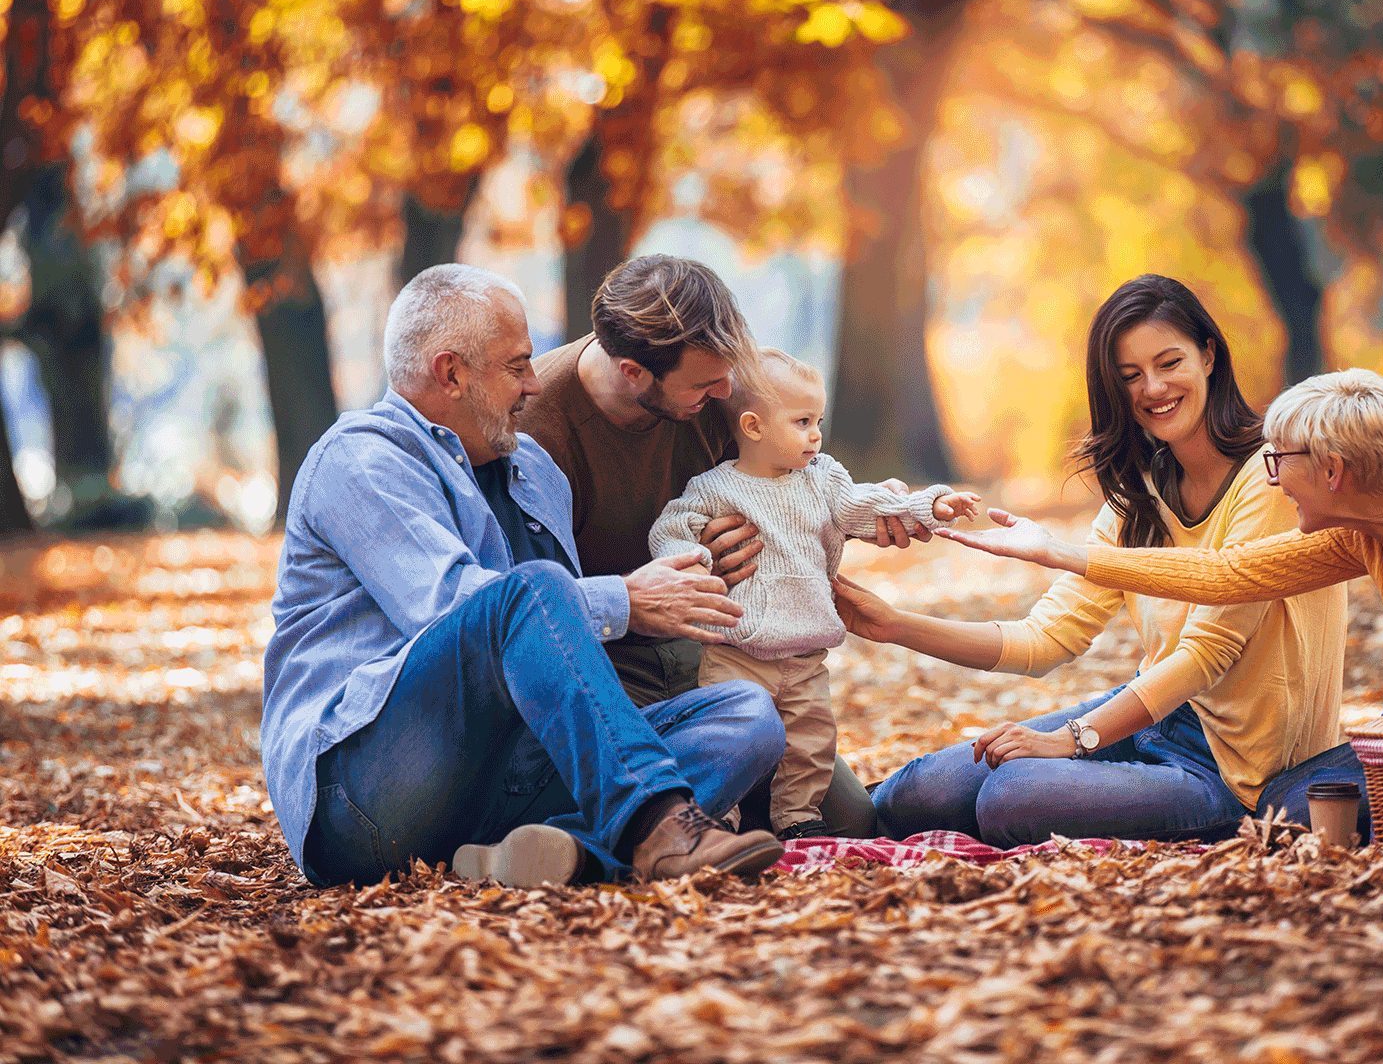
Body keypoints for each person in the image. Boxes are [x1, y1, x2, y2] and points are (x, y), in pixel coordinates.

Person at [262, 264, 787, 889]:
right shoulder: (361, 460)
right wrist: (625, 599)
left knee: (748, 717)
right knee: (532, 589)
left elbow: (554, 655)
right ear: (450, 373)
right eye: (516, 366)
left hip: (495, 784)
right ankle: (658, 828)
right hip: (361, 794)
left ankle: (549, 853)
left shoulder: (532, 471)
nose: (535, 385)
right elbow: (453, 609)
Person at [936, 367, 1383, 822]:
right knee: (1295, 803)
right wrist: (1058, 552)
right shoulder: (1367, 530)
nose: (1270, 478)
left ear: (1334, 471)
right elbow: (1226, 575)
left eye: (1280, 461)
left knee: (1298, 809)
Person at [843, 275, 1351, 846]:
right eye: (1130, 376)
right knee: (923, 792)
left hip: (1238, 771)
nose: (1152, 388)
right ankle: (804, 821)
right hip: (1153, 719)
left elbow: (1207, 654)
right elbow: (1044, 639)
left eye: (1169, 363)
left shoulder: (1272, 477)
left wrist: (1074, 739)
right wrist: (889, 625)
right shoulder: (1140, 493)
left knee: (1013, 796)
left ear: (1208, 356)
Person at [518, 255, 911, 837]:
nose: (727, 392)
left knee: (846, 820)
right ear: (633, 373)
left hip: (723, 650)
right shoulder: (538, 430)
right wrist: (676, 573)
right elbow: (533, 612)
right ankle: (574, 836)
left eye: (729, 372)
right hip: (612, 662)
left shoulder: (718, 391)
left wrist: (877, 506)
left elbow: (795, 476)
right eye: (706, 384)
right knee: (693, 791)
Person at [648, 349, 981, 839]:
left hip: (805, 654)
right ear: (754, 427)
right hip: (735, 651)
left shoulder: (823, 478)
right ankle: (720, 821)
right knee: (731, 741)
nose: (816, 434)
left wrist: (928, 506)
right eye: (802, 421)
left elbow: (865, 506)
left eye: (818, 420)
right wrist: (694, 563)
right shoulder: (714, 488)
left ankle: (799, 821)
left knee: (811, 743)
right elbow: (672, 530)